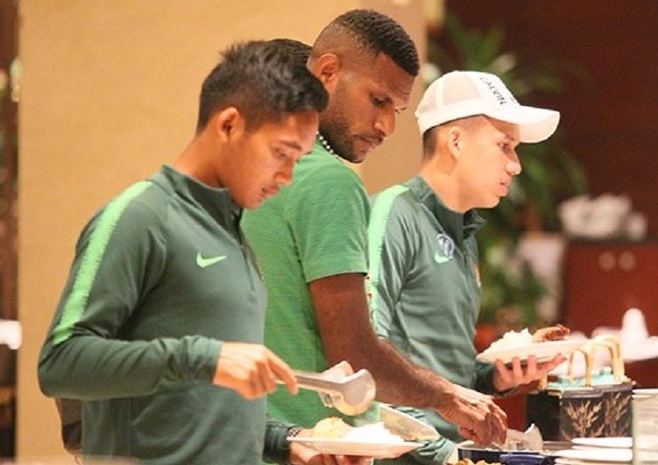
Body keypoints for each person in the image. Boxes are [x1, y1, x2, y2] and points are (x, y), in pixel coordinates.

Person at [37, 39, 343, 465]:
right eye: (281, 153)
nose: (287, 176)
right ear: (229, 125)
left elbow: (203, 401)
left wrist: (285, 441)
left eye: (299, 158)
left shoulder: (232, 234)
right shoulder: (140, 218)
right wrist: (204, 356)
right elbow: (60, 363)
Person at [241, 9, 507, 447]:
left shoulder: (250, 175)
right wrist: (449, 397)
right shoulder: (331, 181)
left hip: (254, 438)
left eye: (398, 109)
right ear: (326, 71)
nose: (386, 126)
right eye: (378, 100)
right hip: (316, 446)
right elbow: (354, 353)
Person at [366, 70, 564, 464]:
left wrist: (494, 376)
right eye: (504, 146)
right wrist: (445, 455)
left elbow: (445, 373)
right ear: (455, 141)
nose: (516, 166)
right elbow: (365, 360)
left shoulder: (465, 232)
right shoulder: (395, 212)